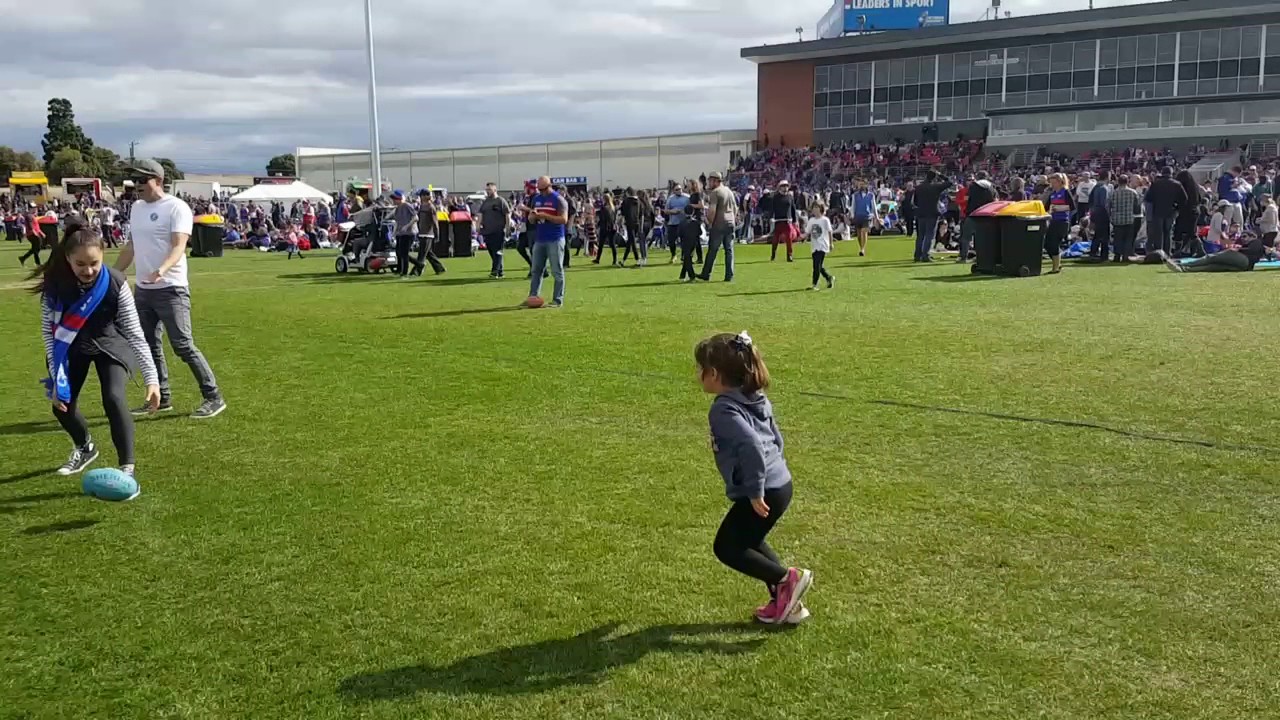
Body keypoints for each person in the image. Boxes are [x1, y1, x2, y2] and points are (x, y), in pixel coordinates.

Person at [696, 331, 813, 625]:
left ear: (715, 374)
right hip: (781, 483)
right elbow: (775, 437)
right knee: (750, 540)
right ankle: (789, 604)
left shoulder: (723, 408)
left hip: (765, 489)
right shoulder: (755, 396)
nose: (697, 375)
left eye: (700, 369)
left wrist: (755, 489)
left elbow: (751, 445)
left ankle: (788, 578)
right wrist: (776, 468)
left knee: (727, 547)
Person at [34, 228, 160, 481]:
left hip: (111, 344)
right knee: (61, 405)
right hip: (71, 347)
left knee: (113, 398)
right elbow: (50, 334)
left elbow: (135, 333)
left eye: (94, 263)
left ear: (103, 256)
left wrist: (152, 379)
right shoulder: (54, 285)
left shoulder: (116, 282)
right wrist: (55, 376)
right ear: (68, 259)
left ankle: (127, 468)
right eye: (80, 264)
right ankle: (85, 447)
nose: (88, 270)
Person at [115, 159, 225, 419]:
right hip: (143, 290)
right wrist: (112, 274)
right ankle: (161, 397)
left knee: (183, 345)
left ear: (159, 180)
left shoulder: (176, 208)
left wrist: (161, 270)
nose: (137, 186)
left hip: (171, 289)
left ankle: (214, 397)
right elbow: (131, 247)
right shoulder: (137, 208)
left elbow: (179, 246)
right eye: (135, 181)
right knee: (148, 345)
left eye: (143, 180)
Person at [525, 176, 568, 308]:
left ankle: (557, 300)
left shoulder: (559, 200)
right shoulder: (537, 199)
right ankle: (533, 296)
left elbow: (563, 219)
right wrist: (532, 217)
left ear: (550, 187)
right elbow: (531, 218)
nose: (541, 192)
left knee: (557, 270)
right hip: (540, 238)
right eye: (539, 189)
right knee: (536, 270)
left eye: (543, 189)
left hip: (555, 238)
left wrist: (545, 216)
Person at [1165, 232, 1277, 273]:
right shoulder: (1261, 246)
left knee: (1211, 258)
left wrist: (1238, 249)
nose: (1243, 239)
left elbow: (1252, 250)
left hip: (1243, 259)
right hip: (1245, 266)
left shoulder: (1257, 241)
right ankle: (1185, 270)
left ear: (1252, 236)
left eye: (1245, 237)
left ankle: (1182, 265)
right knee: (1212, 267)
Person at [698, 171, 737, 282]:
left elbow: (712, 211)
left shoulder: (715, 192)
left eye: (710, 180)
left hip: (719, 223)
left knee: (713, 250)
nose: (709, 182)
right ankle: (729, 275)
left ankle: (706, 274)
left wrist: (709, 222)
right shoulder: (729, 191)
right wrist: (732, 219)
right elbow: (735, 208)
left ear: (716, 181)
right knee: (729, 250)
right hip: (730, 222)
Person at [1145, 166, 1187, 257]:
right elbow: (1184, 199)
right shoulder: (1177, 184)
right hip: (1170, 212)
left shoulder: (1156, 184)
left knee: (1158, 234)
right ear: (1171, 174)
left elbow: (1148, 198)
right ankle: (1167, 252)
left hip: (1158, 212)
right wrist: (1177, 208)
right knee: (1168, 233)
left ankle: (1158, 253)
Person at [912, 170, 953, 263]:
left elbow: (915, 202)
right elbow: (950, 182)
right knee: (929, 235)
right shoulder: (936, 187)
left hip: (921, 213)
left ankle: (917, 255)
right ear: (934, 178)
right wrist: (941, 175)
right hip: (932, 213)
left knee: (920, 236)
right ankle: (925, 255)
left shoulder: (919, 187)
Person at [961, 171, 997, 264]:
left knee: (966, 237)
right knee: (982, 238)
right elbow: (995, 201)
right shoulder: (991, 187)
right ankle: (981, 257)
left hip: (973, 214)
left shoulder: (973, 187)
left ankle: (963, 257)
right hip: (986, 215)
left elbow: (967, 200)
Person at [478, 183, 511, 278]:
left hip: (499, 230)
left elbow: (507, 214)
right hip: (487, 231)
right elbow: (481, 214)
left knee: (497, 251)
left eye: (489, 189)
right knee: (492, 252)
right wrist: (478, 226)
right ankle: (500, 271)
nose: (488, 191)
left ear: (495, 190)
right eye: (487, 189)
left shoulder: (500, 201)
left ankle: (494, 272)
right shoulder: (485, 202)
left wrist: (507, 227)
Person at [1107, 174, 1141, 262]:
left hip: (1117, 219)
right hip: (1129, 218)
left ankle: (1117, 256)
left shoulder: (1113, 193)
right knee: (1128, 239)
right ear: (1127, 181)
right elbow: (1137, 206)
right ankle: (1126, 256)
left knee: (1117, 238)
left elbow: (1109, 205)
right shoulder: (1133, 192)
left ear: (1118, 182)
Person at [413, 190, 447, 276]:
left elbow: (435, 222)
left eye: (421, 196)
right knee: (428, 253)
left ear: (425, 196)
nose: (420, 198)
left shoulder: (431, 207)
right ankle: (439, 268)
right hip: (422, 233)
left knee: (422, 254)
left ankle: (416, 271)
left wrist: (436, 234)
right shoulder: (421, 207)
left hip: (428, 234)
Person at [1043, 173, 1070, 274]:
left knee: (1053, 244)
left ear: (1060, 182)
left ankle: (1056, 267)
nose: (1052, 184)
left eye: (1054, 182)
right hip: (1053, 221)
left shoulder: (1065, 192)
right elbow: (1046, 208)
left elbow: (1071, 206)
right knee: (1047, 244)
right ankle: (1057, 263)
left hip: (1062, 222)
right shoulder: (1052, 194)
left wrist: (1058, 208)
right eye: (1051, 182)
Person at [804, 201, 835, 291]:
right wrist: (800, 237)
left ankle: (815, 284)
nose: (815, 209)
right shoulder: (811, 220)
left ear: (821, 209)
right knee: (819, 266)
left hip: (822, 245)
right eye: (814, 208)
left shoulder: (825, 220)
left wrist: (831, 243)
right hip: (814, 246)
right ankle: (829, 277)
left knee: (816, 265)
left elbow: (830, 232)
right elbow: (807, 232)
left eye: (817, 207)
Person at [679, 179, 705, 282]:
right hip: (692, 218)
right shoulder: (692, 195)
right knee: (691, 246)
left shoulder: (697, 195)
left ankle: (698, 257)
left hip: (695, 218)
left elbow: (701, 205)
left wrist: (690, 206)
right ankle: (683, 273)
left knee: (693, 242)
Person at [389, 190, 417, 278]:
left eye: (395, 199)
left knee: (404, 253)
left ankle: (405, 272)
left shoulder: (407, 206)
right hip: (400, 233)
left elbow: (415, 217)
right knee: (400, 252)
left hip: (409, 232)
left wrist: (407, 226)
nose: (393, 201)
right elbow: (397, 222)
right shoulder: (397, 208)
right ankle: (417, 264)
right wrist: (394, 233)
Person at [769, 180, 799, 262]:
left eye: (786, 186)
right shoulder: (775, 197)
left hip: (787, 222)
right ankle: (773, 254)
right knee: (775, 239)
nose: (785, 188)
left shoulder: (790, 197)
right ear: (780, 187)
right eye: (783, 186)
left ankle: (789, 256)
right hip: (778, 221)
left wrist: (795, 220)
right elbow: (772, 209)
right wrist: (771, 217)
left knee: (789, 239)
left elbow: (793, 209)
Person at [1087, 170, 1111, 261]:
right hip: (1102, 213)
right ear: (1107, 177)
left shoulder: (1095, 187)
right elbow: (1104, 203)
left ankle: (1093, 252)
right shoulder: (1103, 188)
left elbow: (1090, 201)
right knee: (1105, 235)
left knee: (1097, 234)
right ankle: (1104, 255)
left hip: (1095, 212)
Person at [664, 183, 690, 264]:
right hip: (673, 222)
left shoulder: (687, 197)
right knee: (671, 241)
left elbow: (691, 209)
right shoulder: (670, 199)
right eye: (677, 189)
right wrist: (672, 211)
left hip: (684, 222)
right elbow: (666, 210)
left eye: (680, 189)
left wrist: (684, 212)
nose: (679, 191)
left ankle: (683, 257)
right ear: (673, 191)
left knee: (684, 241)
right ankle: (673, 255)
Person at [850, 181, 876, 257]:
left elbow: (874, 206)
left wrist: (876, 217)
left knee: (863, 232)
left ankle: (863, 249)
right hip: (858, 216)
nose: (861, 186)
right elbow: (853, 205)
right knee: (858, 234)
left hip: (867, 216)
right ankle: (861, 247)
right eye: (860, 184)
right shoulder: (855, 195)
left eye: (863, 184)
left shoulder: (871, 195)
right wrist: (852, 215)